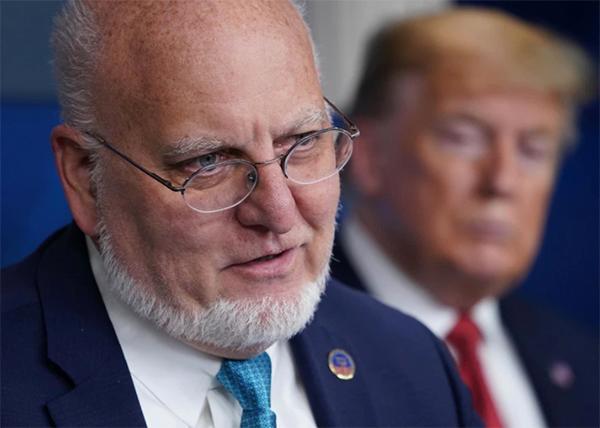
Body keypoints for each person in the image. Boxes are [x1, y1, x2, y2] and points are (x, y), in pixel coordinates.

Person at [1, 1, 483, 427]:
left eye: (303, 142)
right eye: (207, 162)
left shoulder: (412, 366)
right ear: (86, 177)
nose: (277, 211)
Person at [332, 7, 598, 428]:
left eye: (533, 150)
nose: (503, 181)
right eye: (464, 138)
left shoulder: (582, 361)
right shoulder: (293, 342)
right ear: (368, 157)